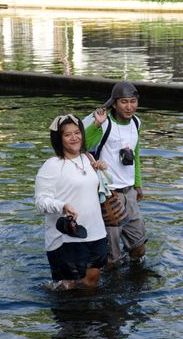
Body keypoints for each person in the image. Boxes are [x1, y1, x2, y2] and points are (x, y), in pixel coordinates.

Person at [35, 114, 108, 290]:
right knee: (67, 289)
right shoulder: (52, 165)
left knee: (92, 281)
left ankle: (90, 317)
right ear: (59, 139)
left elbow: (97, 191)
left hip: (96, 232)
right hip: (66, 237)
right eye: (68, 135)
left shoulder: (88, 159)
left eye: (77, 133)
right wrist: (63, 206)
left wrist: (103, 172)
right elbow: (40, 202)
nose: (74, 138)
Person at [83, 81, 147, 268]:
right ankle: (109, 289)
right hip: (110, 194)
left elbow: (136, 153)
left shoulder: (136, 122)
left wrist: (138, 183)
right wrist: (96, 123)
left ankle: (132, 279)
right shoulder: (105, 124)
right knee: (112, 257)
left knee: (139, 248)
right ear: (114, 103)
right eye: (124, 102)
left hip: (129, 193)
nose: (129, 107)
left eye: (133, 101)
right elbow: (83, 144)